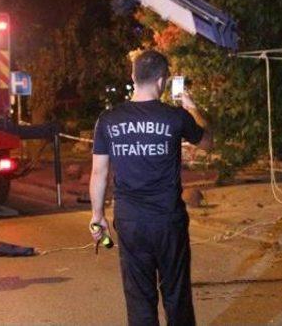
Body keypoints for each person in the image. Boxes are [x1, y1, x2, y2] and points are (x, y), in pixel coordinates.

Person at [89, 50, 212, 326]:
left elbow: (99, 172)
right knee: (176, 295)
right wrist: (191, 106)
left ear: (133, 77)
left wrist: (97, 217)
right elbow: (207, 142)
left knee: (139, 298)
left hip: (130, 221)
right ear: (162, 81)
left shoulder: (108, 120)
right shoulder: (175, 117)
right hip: (168, 221)